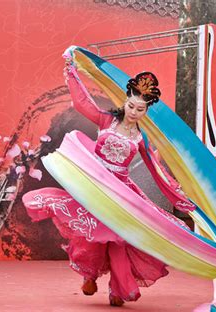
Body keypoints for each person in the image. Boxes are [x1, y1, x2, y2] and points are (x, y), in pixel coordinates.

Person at [23, 62, 188, 306]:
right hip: (95, 186)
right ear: (125, 100)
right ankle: (89, 274)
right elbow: (82, 104)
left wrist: (177, 193)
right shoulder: (106, 120)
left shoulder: (140, 137)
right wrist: (71, 71)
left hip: (121, 192)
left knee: (118, 238)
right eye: (131, 105)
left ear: (146, 112)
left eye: (140, 109)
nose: (133, 112)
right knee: (93, 234)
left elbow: (157, 170)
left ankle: (118, 288)